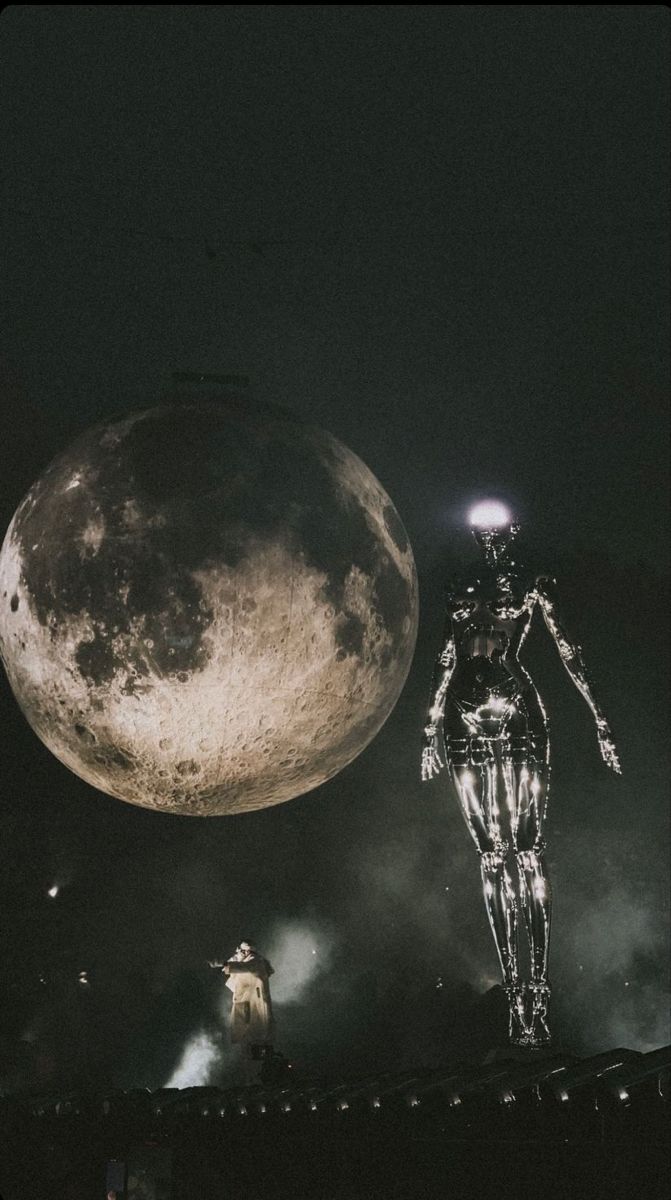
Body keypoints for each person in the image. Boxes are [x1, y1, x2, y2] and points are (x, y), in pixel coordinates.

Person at [421, 502, 620, 1046]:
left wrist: (600, 719)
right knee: (491, 854)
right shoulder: (459, 585)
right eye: (481, 529)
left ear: (512, 533)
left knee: (528, 848)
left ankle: (539, 989)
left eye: (499, 529)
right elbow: (444, 655)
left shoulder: (532, 583)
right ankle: (516, 990)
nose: (490, 537)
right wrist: (430, 723)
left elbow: (568, 650)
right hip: (462, 717)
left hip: (517, 712)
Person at [209, 941, 274, 1078]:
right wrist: (223, 963)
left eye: (240, 952)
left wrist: (224, 964)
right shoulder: (246, 960)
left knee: (256, 1040)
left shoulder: (256, 962)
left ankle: (259, 1074)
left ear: (246, 952)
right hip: (245, 1005)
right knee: (246, 1042)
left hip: (254, 1008)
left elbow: (242, 966)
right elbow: (234, 963)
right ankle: (250, 1075)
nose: (237, 954)